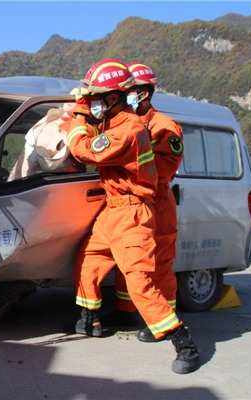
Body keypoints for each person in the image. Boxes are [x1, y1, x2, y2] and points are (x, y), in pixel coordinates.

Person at [68, 59, 199, 374]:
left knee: (142, 279)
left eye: (99, 97)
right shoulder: (117, 125)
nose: (95, 103)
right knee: (89, 258)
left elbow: (83, 150)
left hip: (134, 212)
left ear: (113, 98)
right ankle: (90, 318)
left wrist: (79, 114)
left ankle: (184, 343)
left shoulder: (130, 128)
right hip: (114, 209)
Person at [112, 63, 185, 343]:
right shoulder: (126, 123)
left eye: (129, 92)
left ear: (144, 93)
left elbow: (164, 169)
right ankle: (127, 310)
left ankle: (165, 323)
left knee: (161, 265)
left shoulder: (164, 127)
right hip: (135, 203)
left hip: (158, 201)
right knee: (129, 263)